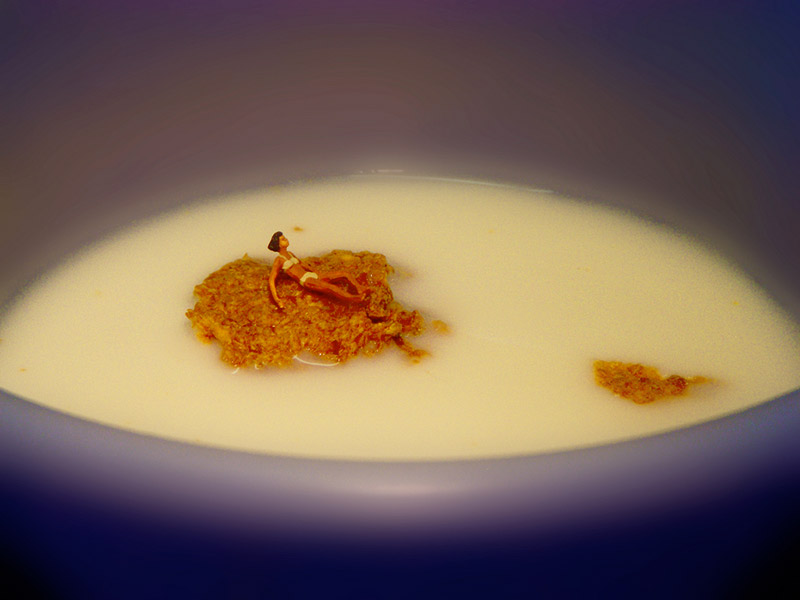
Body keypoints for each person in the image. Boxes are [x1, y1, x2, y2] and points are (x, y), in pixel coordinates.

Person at [267, 231, 367, 309]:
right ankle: (354, 298)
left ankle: (359, 287)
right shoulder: (279, 260)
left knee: (343, 273)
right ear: (278, 245)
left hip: (312, 275)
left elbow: (302, 264)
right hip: (306, 280)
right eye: (283, 239)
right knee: (330, 287)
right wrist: (277, 299)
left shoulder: (290, 253)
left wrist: (316, 271)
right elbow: (272, 279)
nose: (287, 239)